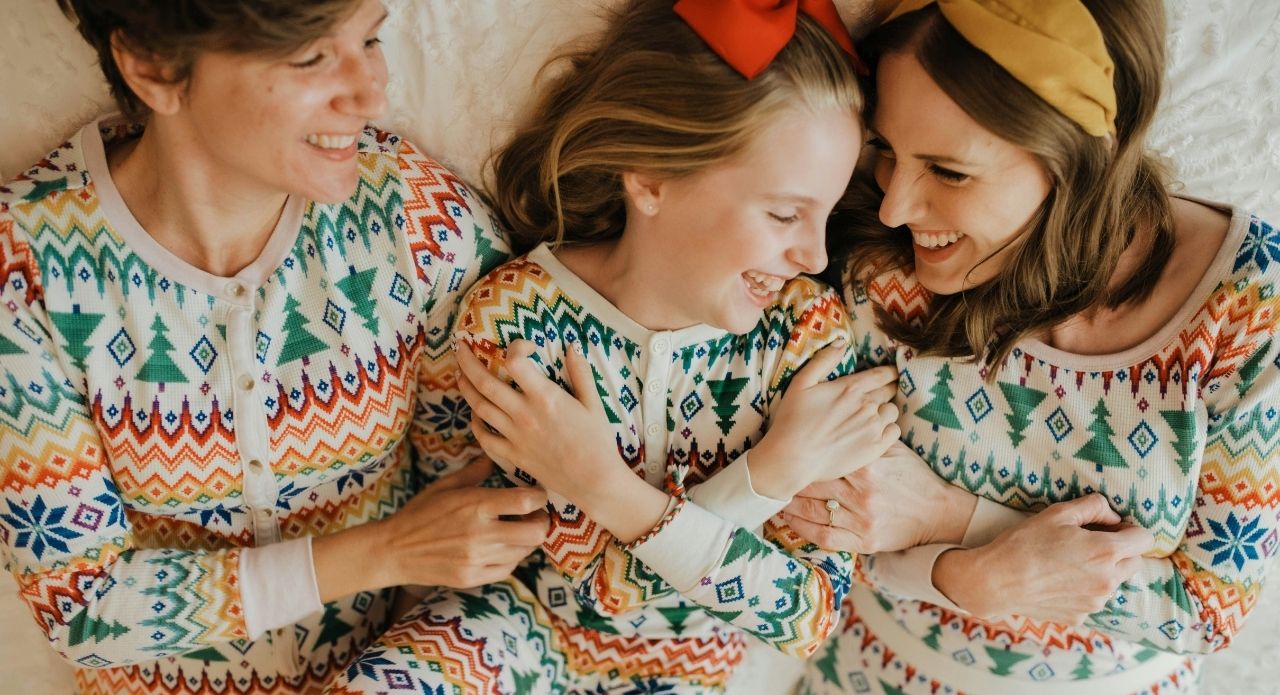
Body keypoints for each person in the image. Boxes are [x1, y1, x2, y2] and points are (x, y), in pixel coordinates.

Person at [324, 0, 906, 692]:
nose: (814, 256)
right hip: (522, 624)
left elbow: (807, 614)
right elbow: (604, 589)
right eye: (784, 213)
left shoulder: (807, 338)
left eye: (826, 215)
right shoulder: (518, 316)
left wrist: (602, 485)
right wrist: (767, 474)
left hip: (695, 663)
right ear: (652, 177)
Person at [0, 1, 550, 693]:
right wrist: (382, 551)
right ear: (154, 67)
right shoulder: (23, 272)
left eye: (370, 39)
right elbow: (84, 607)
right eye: (311, 57)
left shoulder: (414, 220)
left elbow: (475, 490)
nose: (371, 90)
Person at [782, 1, 1280, 693]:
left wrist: (949, 520)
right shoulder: (883, 265)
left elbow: (1205, 610)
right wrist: (967, 576)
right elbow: (810, 521)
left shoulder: (1249, 303)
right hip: (872, 674)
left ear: (1078, 158)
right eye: (887, 151)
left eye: (949, 171)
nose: (895, 204)